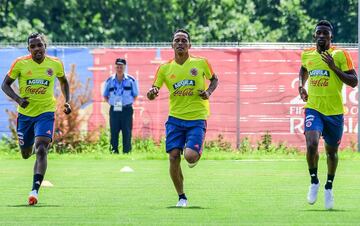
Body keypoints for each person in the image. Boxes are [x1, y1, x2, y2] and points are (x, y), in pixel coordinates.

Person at [147, 29, 219, 207]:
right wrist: (152, 93)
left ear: (189, 45)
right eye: (177, 40)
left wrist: (208, 92)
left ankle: (195, 152)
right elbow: (153, 91)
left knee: (190, 157)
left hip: (196, 118)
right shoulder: (164, 68)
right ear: (172, 45)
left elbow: (215, 79)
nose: (180, 43)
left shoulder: (201, 63)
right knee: (173, 157)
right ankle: (181, 197)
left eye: (183, 40)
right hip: (175, 119)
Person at [1, 33, 72, 205]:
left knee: (41, 149)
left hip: (46, 113)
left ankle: (34, 190)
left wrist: (67, 101)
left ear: (44, 46)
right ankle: (32, 145)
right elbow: (4, 85)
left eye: (39, 45)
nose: (36, 49)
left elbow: (63, 81)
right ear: (29, 49)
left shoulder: (55, 64)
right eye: (32, 47)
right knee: (26, 154)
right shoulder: (20, 63)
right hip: (25, 116)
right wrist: (19, 100)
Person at [298, 20, 358, 210]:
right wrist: (301, 85)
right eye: (319, 33)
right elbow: (303, 69)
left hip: (334, 113)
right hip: (314, 108)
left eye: (326, 33)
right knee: (312, 144)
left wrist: (334, 67)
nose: (322, 36)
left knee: (331, 153)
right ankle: (314, 180)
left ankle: (329, 186)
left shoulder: (340, 54)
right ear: (314, 36)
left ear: (331, 37)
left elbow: (354, 81)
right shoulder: (307, 55)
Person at [103, 58, 139, 154]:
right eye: (117, 66)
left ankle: (127, 152)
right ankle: (114, 152)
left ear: (124, 67)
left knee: (127, 132)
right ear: (115, 67)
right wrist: (112, 103)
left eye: (121, 66)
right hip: (114, 109)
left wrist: (128, 104)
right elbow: (105, 95)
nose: (119, 68)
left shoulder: (131, 80)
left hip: (127, 109)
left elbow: (135, 95)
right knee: (114, 132)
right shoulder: (110, 80)